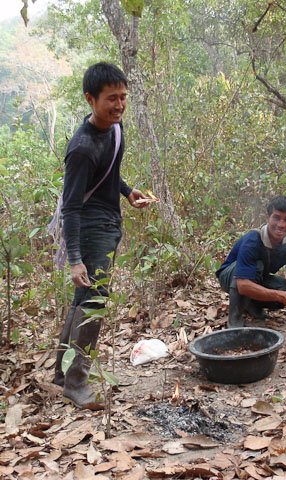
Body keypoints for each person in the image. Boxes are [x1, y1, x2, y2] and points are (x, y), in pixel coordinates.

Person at [53, 62, 151, 409]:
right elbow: (70, 208)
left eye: (123, 97)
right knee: (94, 301)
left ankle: (62, 373)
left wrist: (127, 191)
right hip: (90, 228)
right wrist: (75, 260)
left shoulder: (116, 128)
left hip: (110, 221)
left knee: (84, 299)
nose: (119, 105)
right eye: (111, 98)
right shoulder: (81, 148)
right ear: (90, 99)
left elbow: (110, 171)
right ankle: (77, 382)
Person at [216, 196, 286, 328]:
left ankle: (251, 305)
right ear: (268, 218)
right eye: (276, 218)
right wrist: (281, 296)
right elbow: (242, 284)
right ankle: (235, 321)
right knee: (256, 268)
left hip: (257, 277)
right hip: (231, 276)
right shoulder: (253, 240)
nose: (281, 225)